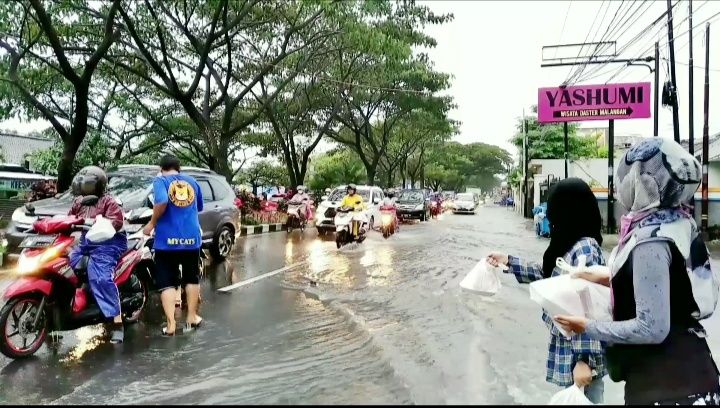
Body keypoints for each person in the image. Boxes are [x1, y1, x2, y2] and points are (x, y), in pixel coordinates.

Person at [554, 138, 720, 405]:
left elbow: (651, 328)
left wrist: (587, 327)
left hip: (666, 386)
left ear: (644, 184)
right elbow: (672, 286)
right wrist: (603, 277)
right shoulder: (677, 222)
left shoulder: (650, 240)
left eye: (630, 178)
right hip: (692, 370)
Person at [487, 177, 607, 404]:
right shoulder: (570, 243)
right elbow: (551, 276)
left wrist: (585, 361)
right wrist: (509, 262)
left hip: (580, 364)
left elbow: (588, 307)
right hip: (569, 356)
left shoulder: (585, 248)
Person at [143, 155, 204, 336]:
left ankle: (170, 326)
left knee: (167, 282)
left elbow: (161, 201)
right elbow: (198, 207)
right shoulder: (192, 182)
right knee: (192, 278)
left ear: (161, 168)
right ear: (179, 168)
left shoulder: (160, 181)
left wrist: (152, 223)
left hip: (166, 241)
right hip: (191, 240)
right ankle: (192, 317)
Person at [68, 166, 127, 344]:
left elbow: (116, 222)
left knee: (100, 278)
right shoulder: (78, 202)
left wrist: (98, 223)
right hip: (87, 243)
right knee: (67, 263)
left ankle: (117, 322)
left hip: (109, 244)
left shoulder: (109, 201)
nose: (83, 186)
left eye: (87, 183)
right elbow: (69, 219)